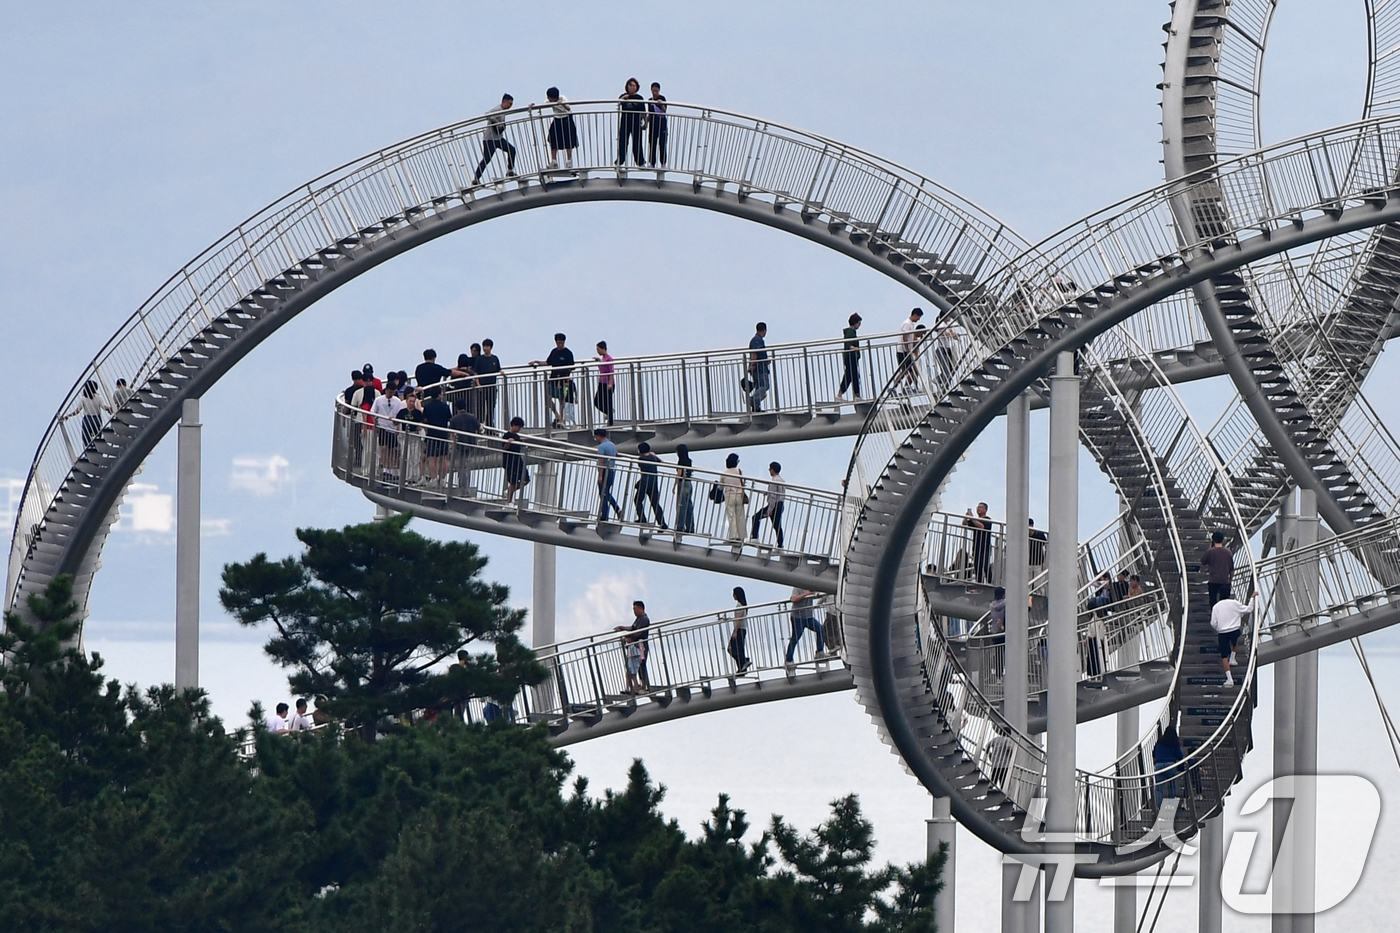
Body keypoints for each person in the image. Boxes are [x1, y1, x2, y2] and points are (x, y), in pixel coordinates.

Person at [1211, 589, 1254, 688]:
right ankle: (1233, 657)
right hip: (1235, 629)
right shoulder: (1234, 603)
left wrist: (1218, 628)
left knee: (1224, 656)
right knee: (1235, 642)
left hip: (1223, 632)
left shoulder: (1216, 607)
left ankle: (1229, 679)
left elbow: (1213, 623)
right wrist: (1252, 598)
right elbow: (1248, 609)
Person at [472, 93, 517, 185]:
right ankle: (476, 179)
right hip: (489, 139)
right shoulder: (497, 109)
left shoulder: (503, 111)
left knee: (511, 150)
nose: (510, 106)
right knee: (487, 159)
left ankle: (510, 170)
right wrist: (496, 122)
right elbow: (487, 114)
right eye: (509, 104)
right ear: (504, 102)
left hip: (498, 138)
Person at [532, 333, 575, 427]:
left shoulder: (568, 353)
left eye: (562, 343)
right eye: (558, 342)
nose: (560, 344)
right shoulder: (554, 352)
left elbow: (572, 367)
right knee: (548, 397)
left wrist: (565, 376)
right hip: (553, 378)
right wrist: (537, 362)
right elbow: (547, 362)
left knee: (562, 399)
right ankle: (557, 415)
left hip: (564, 380)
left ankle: (562, 419)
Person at [532, 86, 578, 170]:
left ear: (553, 98)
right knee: (553, 139)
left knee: (569, 140)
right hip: (557, 119)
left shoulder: (563, 98)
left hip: (566, 119)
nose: (548, 99)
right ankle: (554, 161)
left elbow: (568, 108)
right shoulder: (549, 101)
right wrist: (533, 106)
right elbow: (542, 105)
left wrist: (562, 104)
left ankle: (569, 161)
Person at [614, 600, 652, 693]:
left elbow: (638, 632)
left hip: (641, 647)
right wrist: (622, 628)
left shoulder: (644, 619)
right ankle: (636, 686)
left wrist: (629, 638)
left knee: (642, 666)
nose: (634, 611)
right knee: (634, 667)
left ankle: (644, 686)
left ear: (641, 608)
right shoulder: (638, 619)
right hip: (636, 647)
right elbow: (633, 628)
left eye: (635, 609)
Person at [371, 385, 406, 477]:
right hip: (382, 427)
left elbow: (400, 416)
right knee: (384, 448)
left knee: (392, 451)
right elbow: (372, 412)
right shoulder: (379, 400)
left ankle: (391, 469)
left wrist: (397, 427)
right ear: (386, 390)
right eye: (390, 392)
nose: (391, 394)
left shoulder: (397, 401)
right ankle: (386, 468)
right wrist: (376, 423)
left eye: (393, 392)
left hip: (393, 428)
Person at [750, 461, 786, 549]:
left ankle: (754, 537)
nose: (769, 471)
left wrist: (770, 509)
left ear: (772, 470)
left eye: (770, 469)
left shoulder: (774, 481)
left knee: (756, 517)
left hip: (774, 505)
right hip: (780, 504)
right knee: (777, 525)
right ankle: (780, 545)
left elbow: (773, 495)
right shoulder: (782, 480)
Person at [421, 387, 452, 486]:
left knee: (432, 458)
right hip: (443, 433)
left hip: (431, 434)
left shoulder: (427, 406)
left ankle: (434, 478)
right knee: (443, 458)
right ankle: (442, 479)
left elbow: (425, 420)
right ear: (439, 394)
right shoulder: (445, 406)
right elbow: (449, 418)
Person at [786, 585, 825, 663]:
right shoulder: (797, 588)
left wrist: (817, 593)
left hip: (808, 617)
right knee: (796, 637)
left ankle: (820, 652)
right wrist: (805, 594)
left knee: (820, 629)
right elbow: (793, 599)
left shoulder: (812, 586)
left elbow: (817, 594)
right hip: (797, 617)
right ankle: (788, 659)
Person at [633, 442, 667, 528]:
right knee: (655, 503)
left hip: (644, 482)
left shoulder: (641, 459)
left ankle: (642, 518)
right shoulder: (653, 457)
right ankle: (662, 523)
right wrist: (654, 455)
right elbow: (662, 462)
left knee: (637, 500)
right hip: (654, 482)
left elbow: (640, 465)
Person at [448, 399, 480, 490]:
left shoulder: (454, 419)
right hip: (471, 443)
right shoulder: (472, 417)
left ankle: (462, 484)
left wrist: (452, 443)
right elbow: (478, 427)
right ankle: (466, 485)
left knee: (461, 465)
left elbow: (451, 433)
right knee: (467, 464)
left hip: (459, 444)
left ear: (456, 408)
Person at [594, 428, 623, 522]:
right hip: (612, 471)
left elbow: (601, 461)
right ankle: (613, 511)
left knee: (603, 493)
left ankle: (608, 514)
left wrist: (600, 476)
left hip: (605, 471)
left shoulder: (602, 447)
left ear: (598, 436)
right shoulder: (612, 445)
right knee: (606, 492)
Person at [1153, 724, 1185, 806]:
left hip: (1159, 765)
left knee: (1159, 789)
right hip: (1170, 765)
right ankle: (1171, 803)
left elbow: (1154, 753)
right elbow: (1180, 756)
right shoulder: (1174, 743)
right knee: (1171, 785)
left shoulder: (1159, 743)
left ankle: (1158, 806)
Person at [616, 78, 646, 166]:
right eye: (630, 85)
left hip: (636, 122)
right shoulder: (624, 96)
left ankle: (640, 162)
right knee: (623, 141)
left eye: (634, 85)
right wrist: (623, 99)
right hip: (625, 122)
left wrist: (645, 123)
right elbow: (618, 103)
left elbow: (644, 112)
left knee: (637, 142)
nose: (632, 87)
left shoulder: (639, 98)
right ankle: (620, 161)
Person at [963, 502, 993, 583]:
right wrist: (966, 517)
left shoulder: (987, 519)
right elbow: (965, 524)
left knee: (985, 566)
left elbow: (982, 526)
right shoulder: (975, 521)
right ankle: (979, 584)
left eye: (981, 507)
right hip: (976, 547)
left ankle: (990, 582)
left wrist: (972, 518)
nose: (978, 509)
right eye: (978, 507)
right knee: (977, 567)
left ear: (985, 510)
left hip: (985, 547)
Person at [1201, 531, 1234, 605]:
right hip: (1224, 580)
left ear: (1213, 540)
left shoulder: (1210, 551)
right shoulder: (1228, 553)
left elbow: (1203, 561)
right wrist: (1230, 581)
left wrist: (1210, 547)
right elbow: (1231, 569)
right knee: (1224, 603)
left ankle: (1214, 614)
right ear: (1222, 540)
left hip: (1213, 580)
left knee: (1213, 600)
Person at [502, 416, 529, 503]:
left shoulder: (517, 437)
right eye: (518, 427)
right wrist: (508, 442)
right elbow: (504, 449)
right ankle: (509, 500)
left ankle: (509, 491)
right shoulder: (506, 436)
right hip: (510, 461)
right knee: (513, 482)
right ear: (513, 425)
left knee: (526, 479)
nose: (519, 429)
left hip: (518, 459)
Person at [721, 453, 747, 541]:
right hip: (739, 495)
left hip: (729, 496)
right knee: (740, 516)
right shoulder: (739, 471)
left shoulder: (724, 473)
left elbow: (721, 486)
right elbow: (742, 482)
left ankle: (733, 535)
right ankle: (741, 535)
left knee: (731, 516)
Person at [476, 338, 502, 426]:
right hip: (482, 387)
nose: (485, 348)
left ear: (490, 347)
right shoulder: (480, 359)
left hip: (492, 387)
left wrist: (501, 372)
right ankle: (480, 425)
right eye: (484, 346)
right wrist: (478, 384)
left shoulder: (495, 359)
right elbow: (476, 373)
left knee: (491, 407)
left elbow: (498, 369)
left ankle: (490, 425)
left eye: (487, 346)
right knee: (481, 407)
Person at [898, 308, 924, 391]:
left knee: (913, 370)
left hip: (906, 351)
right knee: (906, 371)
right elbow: (905, 337)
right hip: (903, 351)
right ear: (915, 315)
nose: (919, 319)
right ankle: (900, 387)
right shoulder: (907, 324)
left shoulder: (911, 324)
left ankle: (907, 387)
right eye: (918, 317)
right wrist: (907, 349)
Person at [838, 312, 862, 400]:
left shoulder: (851, 332)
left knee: (850, 376)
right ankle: (856, 395)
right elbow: (848, 345)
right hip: (850, 357)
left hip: (850, 357)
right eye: (859, 323)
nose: (859, 325)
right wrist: (855, 348)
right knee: (852, 375)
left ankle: (842, 394)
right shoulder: (850, 333)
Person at [747, 322, 770, 412]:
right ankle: (753, 399)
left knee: (760, 389)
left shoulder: (756, 339)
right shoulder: (758, 340)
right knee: (765, 386)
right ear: (764, 330)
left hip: (759, 366)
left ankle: (756, 407)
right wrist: (753, 364)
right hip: (759, 367)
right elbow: (755, 352)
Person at [728, 586, 750, 673]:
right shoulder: (742, 605)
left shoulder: (739, 606)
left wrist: (735, 631)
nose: (733, 595)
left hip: (739, 629)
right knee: (739, 649)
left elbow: (739, 619)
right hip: (741, 629)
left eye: (734, 593)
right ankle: (742, 667)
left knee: (732, 649)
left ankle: (743, 662)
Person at [934, 313, 961, 385]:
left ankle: (940, 380)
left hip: (947, 349)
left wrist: (956, 335)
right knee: (946, 371)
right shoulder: (941, 324)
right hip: (942, 349)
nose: (950, 317)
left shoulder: (948, 325)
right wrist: (952, 334)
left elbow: (951, 333)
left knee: (950, 369)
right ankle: (940, 381)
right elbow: (944, 333)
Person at [674, 444, 696, 534]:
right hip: (689, 484)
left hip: (682, 483)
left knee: (681, 505)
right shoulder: (689, 460)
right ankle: (690, 527)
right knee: (688, 506)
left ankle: (680, 526)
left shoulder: (681, 461)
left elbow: (679, 473)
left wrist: (674, 485)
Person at [594, 341, 616, 426]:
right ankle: (608, 412)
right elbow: (602, 370)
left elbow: (611, 371)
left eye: (598, 350)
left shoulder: (609, 359)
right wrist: (599, 362)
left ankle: (610, 420)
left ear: (603, 349)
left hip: (607, 384)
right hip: (601, 382)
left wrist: (610, 383)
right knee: (597, 401)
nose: (598, 351)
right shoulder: (603, 358)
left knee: (608, 401)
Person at [647, 82, 668, 166]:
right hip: (653, 124)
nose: (655, 92)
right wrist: (646, 123)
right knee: (652, 143)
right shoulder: (649, 100)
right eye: (653, 90)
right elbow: (649, 113)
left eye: (656, 90)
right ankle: (652, 163)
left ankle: (663, 163)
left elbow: (665, 110)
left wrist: (661, 104)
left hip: (662, 123)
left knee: (662, 143)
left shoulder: (662, 98)